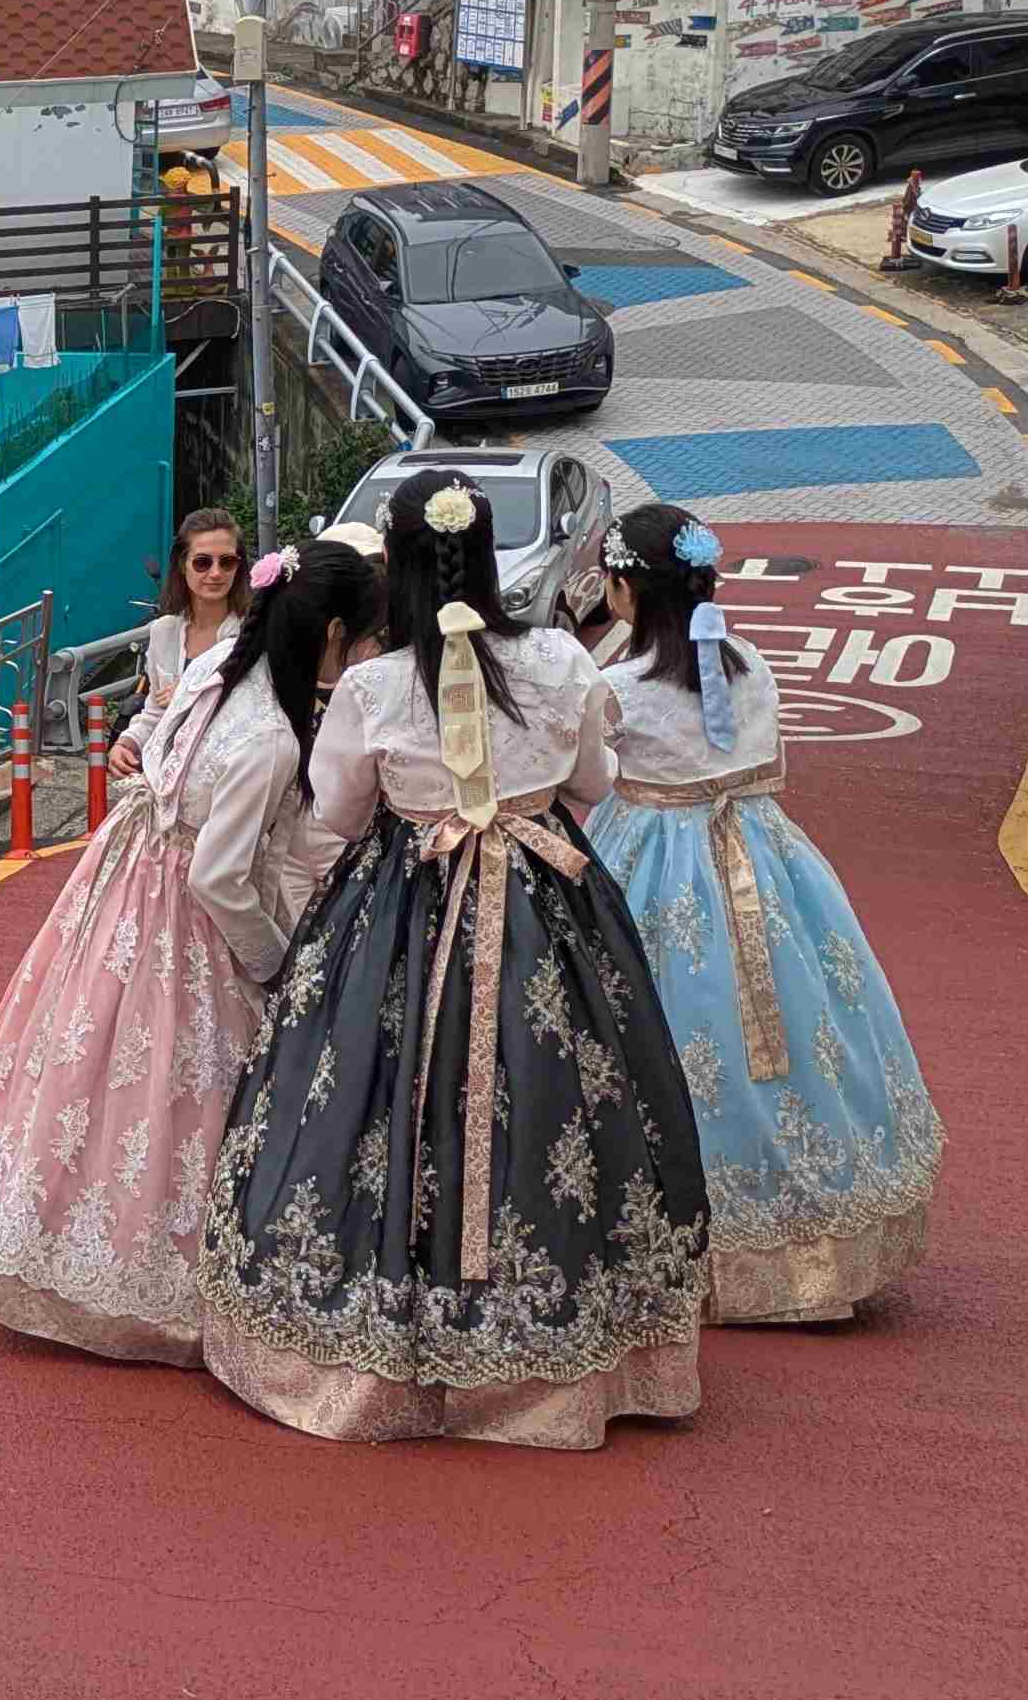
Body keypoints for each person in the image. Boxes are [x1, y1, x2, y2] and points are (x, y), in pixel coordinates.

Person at [202, 481, 712, 1447]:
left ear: (395, 567)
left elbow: (338, 813)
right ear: (488, 557)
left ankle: (387, 1344)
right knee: (558, 1094)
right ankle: (555, 1358)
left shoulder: (373, 684)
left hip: (400, 911)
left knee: (373, 1100)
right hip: (544, 907)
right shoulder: (560, 658)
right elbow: (595, 783)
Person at [0, 539, 383, 1364]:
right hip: (180, 900)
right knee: (181, 1077)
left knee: (90, 1059)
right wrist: (277, 959)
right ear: (329, 638)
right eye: (360, 644)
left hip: (124, 874)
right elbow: (222, 876)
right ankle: (161, 1275)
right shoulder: (274, 739)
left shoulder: (217, 671)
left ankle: (44, 1230)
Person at [577, 502, 943, 1320]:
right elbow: (772, 761)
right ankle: (809, 1238)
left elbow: (592, 783)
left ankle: (676, 1237)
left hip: (649, 859)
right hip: (764, 856)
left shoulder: (616, 685)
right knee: (793, 1035)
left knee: (662, 1036)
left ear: (629, 589)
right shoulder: (747, 661)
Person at [138, 508, 246, 703]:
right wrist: (130, 735)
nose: (216, 573)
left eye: (227, 562)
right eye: (202, 562)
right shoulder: (163, 630)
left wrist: (190, 692)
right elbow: (153, 714)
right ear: (182, 563)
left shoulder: (250, 633)